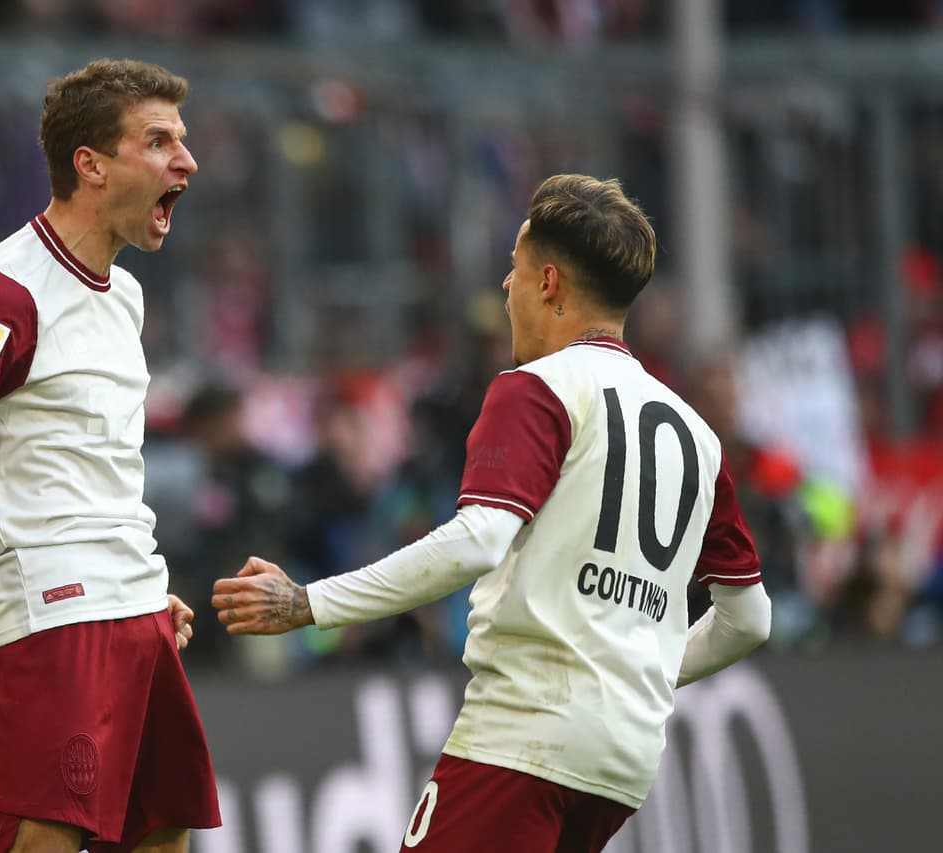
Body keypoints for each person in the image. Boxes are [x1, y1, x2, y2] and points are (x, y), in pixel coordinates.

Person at [212, 174, 772, 853]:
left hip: (526, 736)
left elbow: (478, 540)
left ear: (549, 283)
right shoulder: (699, 438)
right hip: (623, 760)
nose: (506, 287)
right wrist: (637, 669)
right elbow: (749, 618)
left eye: (514, 267)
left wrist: (310, 602)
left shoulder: (538, 389)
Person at [0, 59, 220, 853]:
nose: (187, 161)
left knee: (164, 832)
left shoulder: (124, 296)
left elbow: (90, 463)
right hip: (48, 612)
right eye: (159, 141)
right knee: (47, 836)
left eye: (182, 140)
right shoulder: (1, 298)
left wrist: (137, 586)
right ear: (90, 165)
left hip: (131, 601)